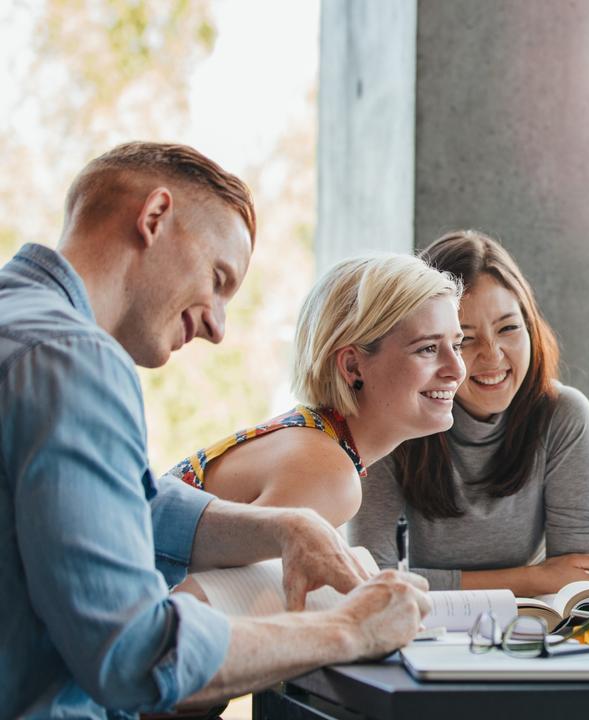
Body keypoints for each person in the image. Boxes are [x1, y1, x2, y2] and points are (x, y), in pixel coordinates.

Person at [0, 142, 432, 719]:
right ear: (154, 217)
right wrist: (349, 629)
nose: (217, 327)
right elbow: (137, 656)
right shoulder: (74, 360)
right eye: (218, 277)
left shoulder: (21, 330)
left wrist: (286, 527)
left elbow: (119, 505)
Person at [348, 230, 589, 595]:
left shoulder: (563, 416)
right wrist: (533, 578)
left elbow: (574, 579)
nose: (492, 356)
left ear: (531, 327)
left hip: (527, 631)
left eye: (508, 328)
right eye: (465, 339)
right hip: (415, 630)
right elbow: (373, 580)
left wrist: (547, 581)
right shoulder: (391, 417)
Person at [165, 253, 465, 528]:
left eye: (457, 345)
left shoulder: (314, 439)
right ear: (352, 366)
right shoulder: (328, 476)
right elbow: (200, 587)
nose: (457, 369)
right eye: (427, 349)